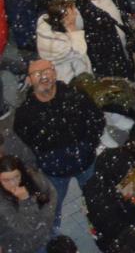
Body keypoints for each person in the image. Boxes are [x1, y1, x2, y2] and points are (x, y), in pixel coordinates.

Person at [11, 60, 104, 230]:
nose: (43, 76)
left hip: (86, 162)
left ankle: (100, 225)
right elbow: (24, 143)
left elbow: (96, 120)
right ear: (30, 80)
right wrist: (44, 158)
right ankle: (51, 235)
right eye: (37, 74)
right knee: (51, 209)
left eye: (47, 71)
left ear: (54, 73)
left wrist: (88, 144)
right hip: (54, 172)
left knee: (97, 200)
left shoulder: (76, 96)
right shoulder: (25, 113)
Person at [0, 155, 57, 253]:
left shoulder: (34, 180)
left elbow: (51, 196)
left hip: (43, 238)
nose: (13, 183)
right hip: (17, 246)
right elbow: (23, 228)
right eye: (6, 180)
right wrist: (25, 201)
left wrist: (43, 222)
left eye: (16, 177)